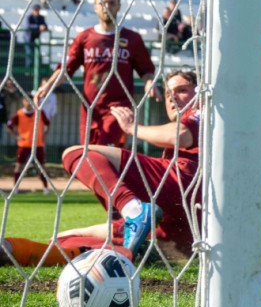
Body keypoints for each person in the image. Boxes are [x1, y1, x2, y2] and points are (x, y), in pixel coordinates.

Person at [57, 69, 201, 259]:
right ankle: (135, 248)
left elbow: (179, 136)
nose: (173, 97)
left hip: (187, 188)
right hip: (172, 226)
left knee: (76, 154)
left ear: (200, 92)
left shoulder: (207, 114)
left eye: (181, 90)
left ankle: (134, 212)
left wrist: (133, 128)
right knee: (63, 238)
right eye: (168, 94)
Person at [34, 0, 158, 146]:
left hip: (118, 109)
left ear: (119, 6)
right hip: (90, 109)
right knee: (90, 156)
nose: (107, 6)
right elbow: (66, 68)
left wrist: (150, 82)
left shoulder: (132, 39)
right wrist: (48, 86)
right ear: (95, 7)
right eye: (102, 3)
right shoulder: (84, 38)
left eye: (112, 3)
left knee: (105, 154)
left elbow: (146, 70)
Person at [5, 95, 49, 193]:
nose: (29, 103)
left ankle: (46, 188)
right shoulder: (19, 114)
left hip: (38, 145)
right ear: (23, 101)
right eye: (26, 101)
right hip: (24, 145)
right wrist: (16, 136)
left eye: (31, 101)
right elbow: (9, 126)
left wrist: (45, 134)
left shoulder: (39, 112)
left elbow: (47, 124)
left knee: (41, 167)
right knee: (19, 166)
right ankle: (15, 188)